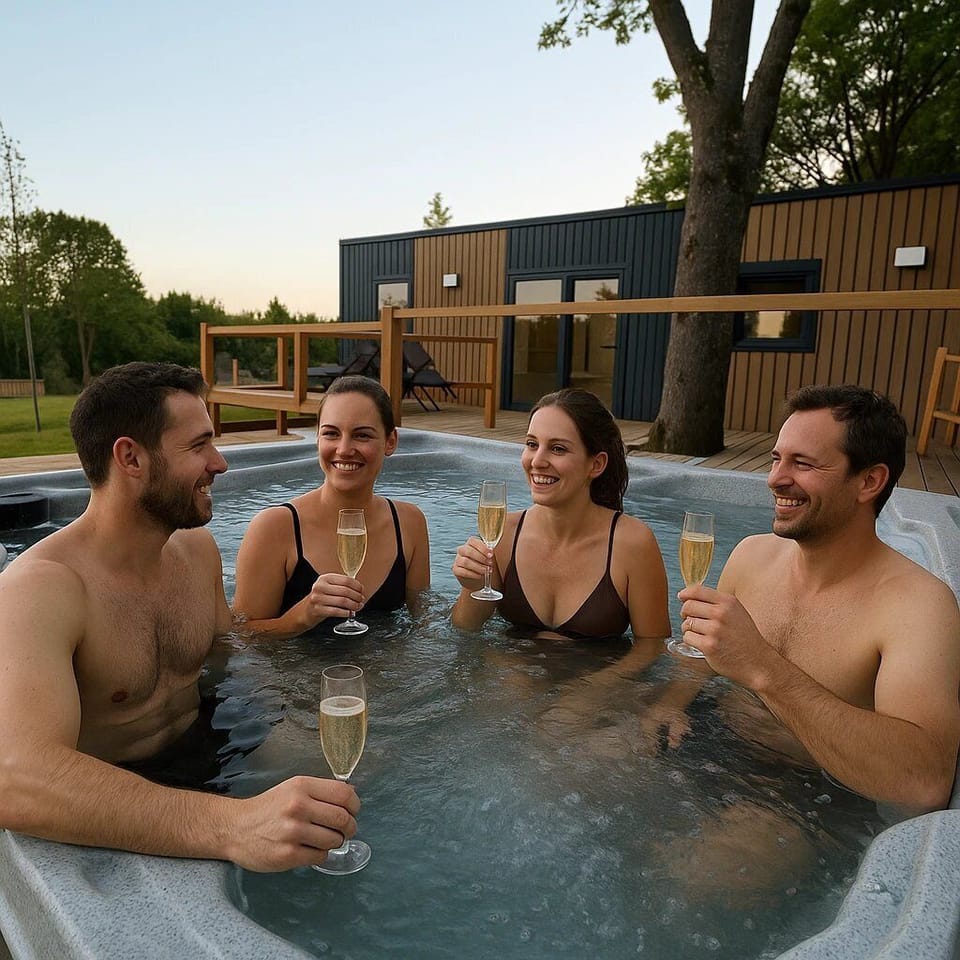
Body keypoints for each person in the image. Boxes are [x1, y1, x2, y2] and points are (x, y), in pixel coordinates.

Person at [0, 362, 359, 871]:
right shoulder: (41, 589)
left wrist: (297, 636)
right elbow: (16, 778)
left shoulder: (195, 550)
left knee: (368, 768)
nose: (220, 463)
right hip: (110, 794)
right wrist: (231, 825)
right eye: (198, 446)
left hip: (209, 745)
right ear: (130, 458)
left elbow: (224, 648)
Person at [678, 384, 960, 814]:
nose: (775, 479)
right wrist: (666, 707)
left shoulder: (918, 606)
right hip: (706, 740)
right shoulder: (751, 555)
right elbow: (701, 658)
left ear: (869, 481)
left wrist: (763, 666)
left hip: (800, 796)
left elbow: (922, 782)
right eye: (776, 459)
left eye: (803, 463)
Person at [452, 388, 670, 641]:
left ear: (596, 464)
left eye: (557, 449)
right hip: (511, 678)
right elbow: (465, 631)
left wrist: (593, 683)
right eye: (532, 444)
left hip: (598, 679)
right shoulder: (504, 533)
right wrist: (474, 587)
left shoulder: (633, 544)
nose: (537, 461)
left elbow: (652, 649)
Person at [232, 375, 430, 638]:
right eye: (331, 434)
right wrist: (301, 617)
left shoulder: (408, 522)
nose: (344, 449)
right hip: (294, 678)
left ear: (390, 441)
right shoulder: (275, 527)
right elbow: (236, 638)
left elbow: (425, 626)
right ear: (317, 439)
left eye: (362, 435)